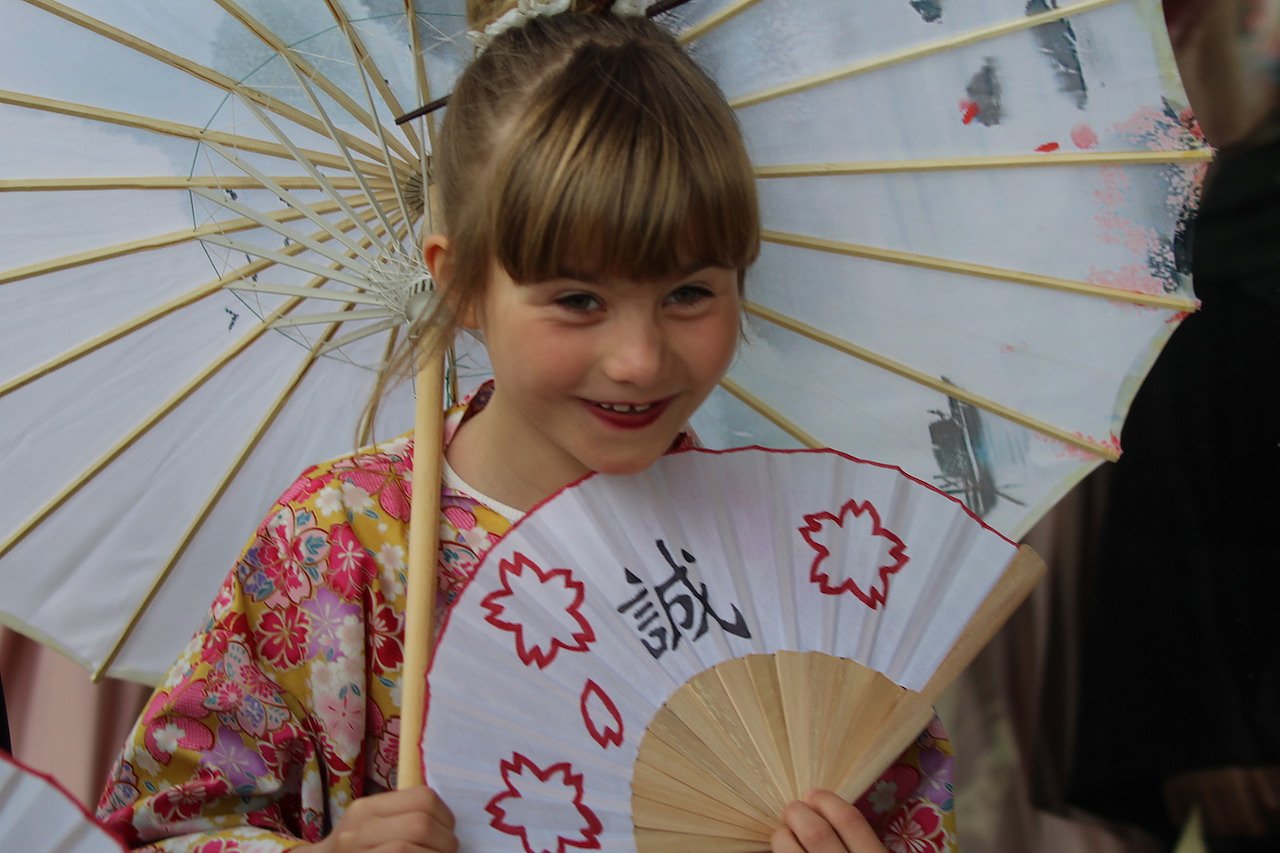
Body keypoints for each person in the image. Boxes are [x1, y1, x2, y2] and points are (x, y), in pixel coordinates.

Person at [96, 3, 959, 851]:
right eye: (578, 299)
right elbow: (156, 827)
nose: (639, 359)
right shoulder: (338, 544)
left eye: (689, 292)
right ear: (462, 283)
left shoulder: (803, 570)